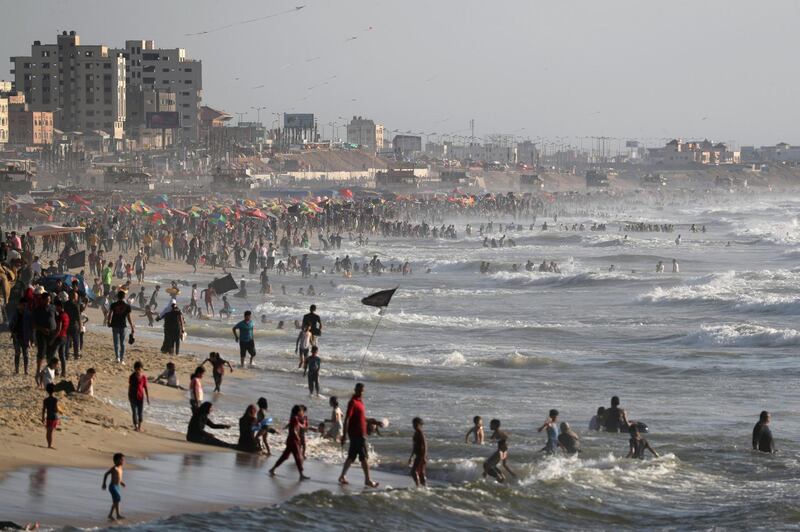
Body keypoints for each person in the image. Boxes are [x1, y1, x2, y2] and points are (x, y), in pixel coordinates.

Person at [339, 382, 379, 487]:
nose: (361, 392)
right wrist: (344, 435)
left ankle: (342, 476)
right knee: (364, 457)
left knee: (351, 457)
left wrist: (372, 421)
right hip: (357, 434)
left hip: (360, 434)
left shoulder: (360, 402)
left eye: (362, 390)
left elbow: (361, 418)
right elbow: (347, 419)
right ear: (355, 390)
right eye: (359, 390)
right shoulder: (352, 402)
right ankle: (368, 480)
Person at [269, 405, 310, 480]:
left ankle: (273, 469)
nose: (302, 412)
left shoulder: (295, 418)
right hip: (293, 440)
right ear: (298, 411)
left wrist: (305, 425)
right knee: (298, 457)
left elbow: (300, 426)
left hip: (291, 440)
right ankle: (301, 475)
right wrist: (297, 437)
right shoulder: (294, 418)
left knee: (285, 456)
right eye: (301, 411)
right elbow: (294, 429)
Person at [107, 291, 134, 364]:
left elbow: (110, 314)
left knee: (116, 342)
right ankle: (122, 359)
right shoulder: (127, 306)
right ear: (124, 297)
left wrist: (108, 322)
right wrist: (131, 326)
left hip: (115, 324)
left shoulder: (113, 305)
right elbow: (129, 317)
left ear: (117, 296)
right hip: (123, 325)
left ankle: (117, 358)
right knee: (122, 343)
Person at [101, 453, 126, 521]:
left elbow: (119, 478)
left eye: (123, 460)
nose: (123, 461)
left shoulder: (121, 468)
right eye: (122, 460)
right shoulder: (114, 468)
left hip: (117, 486)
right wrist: (104, 484)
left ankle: (111, 515)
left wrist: (121, 482)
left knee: (116, 501)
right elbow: (106, 474)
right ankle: (117, 515)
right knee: (117, 499)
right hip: (112, 486)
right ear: (116, 460)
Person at [127, 361, 149, 432]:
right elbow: (130, 387)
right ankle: (136, 426)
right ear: (134, 369)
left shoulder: (143, 377)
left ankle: (139, 426)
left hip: (140, 398)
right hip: (132, 397)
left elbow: (145, 387)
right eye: (136, 369)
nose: (138, 371)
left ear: (142, 369)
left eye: (139, 369)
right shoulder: (132, 377)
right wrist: (129, 396)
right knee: (134, 412)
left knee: (140, 412)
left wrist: (148, 398)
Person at [408, 417, 427, 487]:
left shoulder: (420, 433)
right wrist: (411, 457)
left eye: (416, 424)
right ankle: (424, 486)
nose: (414, 426)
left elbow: (425, 445)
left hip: (421, 455)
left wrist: (424, 456)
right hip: (418, 455)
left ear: (420, 425)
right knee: (421, 472)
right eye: (413, 424)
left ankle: (418, 485)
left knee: (413, 471)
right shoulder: (415, 433)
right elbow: (414, 447)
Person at [41, 382, 61, 449]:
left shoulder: (45, 400)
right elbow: (56, 409)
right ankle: (50, 445)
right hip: (54, 417)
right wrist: (59, 410)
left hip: (48, 416)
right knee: (51, 432)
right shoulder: (55, 399)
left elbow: (43, 410)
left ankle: (49, 444)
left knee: (48, 431)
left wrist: (43, 418)